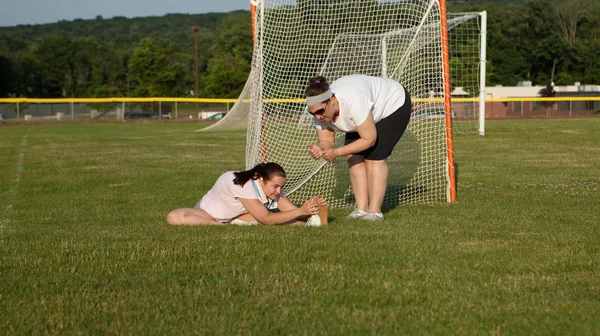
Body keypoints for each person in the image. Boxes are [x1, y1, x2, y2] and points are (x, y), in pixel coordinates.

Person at [305, 74, 412, 221]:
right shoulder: (319, 112)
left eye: (320, 111)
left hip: (393, 105)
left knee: (374, 158)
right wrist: (320, 148)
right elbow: (326, 140)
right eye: (312, 113)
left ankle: (375, 212)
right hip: (362, 115)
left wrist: (337, 152)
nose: (317, 117)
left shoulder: (353, 101)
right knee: (353, 156)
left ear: (332, 100)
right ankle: (361, 210)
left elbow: (369, 140)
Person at [167, 162, 326, 226]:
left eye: (281, 187)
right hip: (206, 214)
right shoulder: (244, 186)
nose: (279, 191)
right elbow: (266, 219)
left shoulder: (270, 189)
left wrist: (312, 209)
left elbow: (292, 212)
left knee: (292, 222)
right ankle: (221, 226)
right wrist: (301, 211)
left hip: (237, 215)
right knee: (173, 217)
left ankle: (235, 222)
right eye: (276, 186)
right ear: (262, 180)